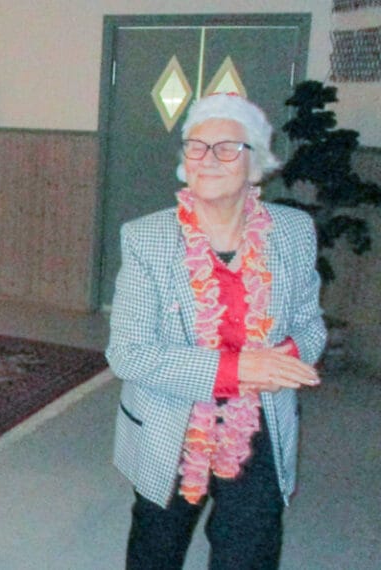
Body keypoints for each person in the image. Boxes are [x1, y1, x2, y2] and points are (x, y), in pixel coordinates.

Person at [105, 93, 327, 569]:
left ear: (256, 164)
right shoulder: (147, 237)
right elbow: (128, 352)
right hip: (171, 420)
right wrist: (239, 368)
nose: (208, 159)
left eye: (227, 148)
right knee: (156, 549)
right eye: (197, 147)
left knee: (249, 551)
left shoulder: (293, 231)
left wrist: (282, 361)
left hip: (261, 420)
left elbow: (310, 325)